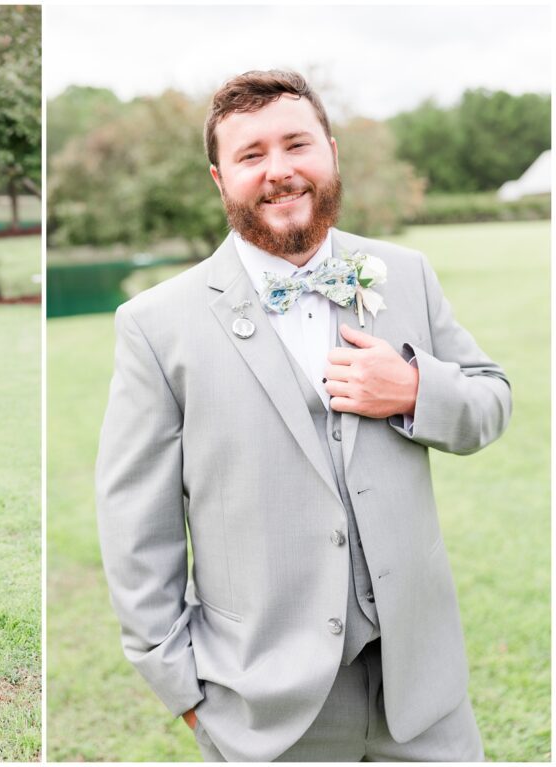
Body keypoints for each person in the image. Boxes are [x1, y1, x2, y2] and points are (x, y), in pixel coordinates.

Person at [95, 70, 511, 762]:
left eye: (297, 144)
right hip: (268, 708)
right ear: (218, 179)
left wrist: (413, 389)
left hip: (425, 692)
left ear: (332, 153)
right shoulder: (156, 324)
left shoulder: (406, 274)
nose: (280, 170)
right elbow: (137, 527)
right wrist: (188, 691)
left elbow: (490, 399)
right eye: (251, 154)